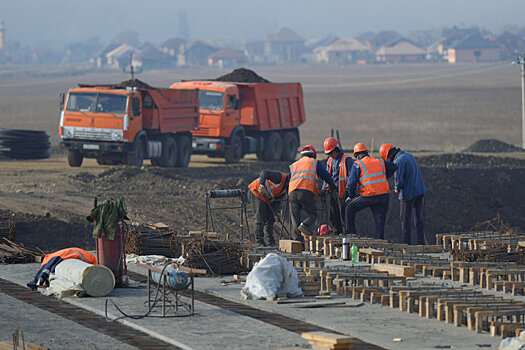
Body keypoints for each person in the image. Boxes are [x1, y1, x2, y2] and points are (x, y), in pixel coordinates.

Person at [344, 143, 397, 239]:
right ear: (366, 152)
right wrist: (384, 176)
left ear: (357, 155)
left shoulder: (358, 164)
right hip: (383, 195)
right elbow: (394, 167)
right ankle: (379, 242)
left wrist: (351, 196)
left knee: (349, 207)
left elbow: (351, 184)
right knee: (379, 222)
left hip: (369, 195)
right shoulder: (380, 161)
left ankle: (350, 234)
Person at [380, 143, 427, 245]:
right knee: (419, 219)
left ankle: (406, 243)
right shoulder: (408, 155)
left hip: (408, 194)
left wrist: (397, 188)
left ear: (389, 155)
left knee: (405, 219)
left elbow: (399, 180)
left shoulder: (398, 161)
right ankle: (421, 242)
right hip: (419, 190)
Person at [289, 145, 336, 242]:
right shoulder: (314, 163)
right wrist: (332, 186)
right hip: (306, 191)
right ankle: (305, 225)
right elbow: (326, 176)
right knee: (313, 214)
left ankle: (297, 242)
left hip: (292, 193)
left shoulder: (294, 164)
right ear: (313, 155)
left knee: (295, 218)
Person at [248, 170, 289, 246]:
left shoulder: (285, 190)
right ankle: (259, 241)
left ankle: (270, 242)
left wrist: (275, 214)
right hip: (256, 191)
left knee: (270, 219)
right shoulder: (279, 178)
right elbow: (264, 172)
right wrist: (262, 185)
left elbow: (276, 202)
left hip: (266, 198)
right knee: (260, 218)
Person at [323, 137, 353, 235]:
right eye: (329, 154)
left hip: (343, 192)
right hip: (333, 191)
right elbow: (326, 175)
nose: (330, 155)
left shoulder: (346, 160)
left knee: (343, 215)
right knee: (333, 215)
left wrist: (349, 192)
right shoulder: (330, 161)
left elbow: (352, 176)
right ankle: (337, 234)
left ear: (336, 149)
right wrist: (324, 189)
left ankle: (346, 235)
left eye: (331, 153)